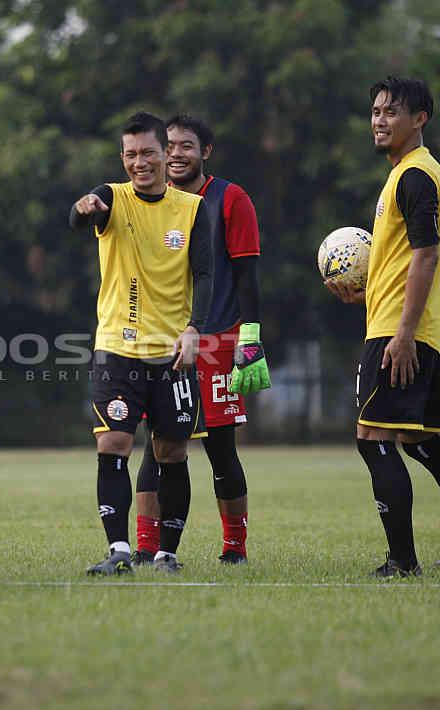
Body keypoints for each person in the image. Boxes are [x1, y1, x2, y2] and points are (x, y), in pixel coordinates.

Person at [326, 78, 440, 577]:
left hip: (400, 335)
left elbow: (428, 255)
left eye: (391, 112)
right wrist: (367, 294)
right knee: (426, 443)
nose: (379, 120)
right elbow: (407, 261)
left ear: (420, 119)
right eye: (375, 111)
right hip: (411, 328)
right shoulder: (409, 176)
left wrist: (403, 333)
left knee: (373, 438)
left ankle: (401, 561)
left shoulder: (415, 175)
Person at [70, 111, 212, 574]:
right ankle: (119, 551)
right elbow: (84, 210)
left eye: (148, 153)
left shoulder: (191, 209)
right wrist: (83, 208)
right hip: (118, 348)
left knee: (171, 452)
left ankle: (168, 554)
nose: (139, 163)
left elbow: (205, 275)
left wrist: (195, 329)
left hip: (172, 354)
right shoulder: (112, 197)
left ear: (165, 153)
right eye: (130, 155)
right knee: (113, 442)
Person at [132, 114, 267, 566]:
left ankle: (235, 549)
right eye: (168, 145)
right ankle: (148, 547)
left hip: (217, 343)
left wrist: (250, 338)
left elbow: (247, 276)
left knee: (220, 449)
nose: (175, 153)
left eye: (186, 145)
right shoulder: (151, 201)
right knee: (156, 447)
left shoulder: (231, 199)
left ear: (205, 152)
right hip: (161, 344)